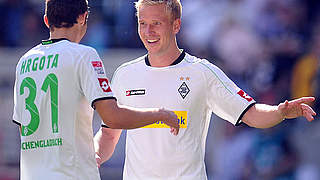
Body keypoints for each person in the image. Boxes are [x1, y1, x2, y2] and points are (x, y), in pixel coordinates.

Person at [94, 0, 316, 179]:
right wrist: (93, 156)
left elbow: (251, 114)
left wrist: (279, 112)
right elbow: (109, 134)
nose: (148, 31)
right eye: (143, 23)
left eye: (156, 23)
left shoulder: (202, 72)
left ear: (176, 25)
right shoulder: (125, 74)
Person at [12, 0, 179, 179]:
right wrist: (160, 114)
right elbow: (112, 117)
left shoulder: (24, 62)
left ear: (46, 20)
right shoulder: (83, 55)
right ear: (84, 17)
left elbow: (23, 128)